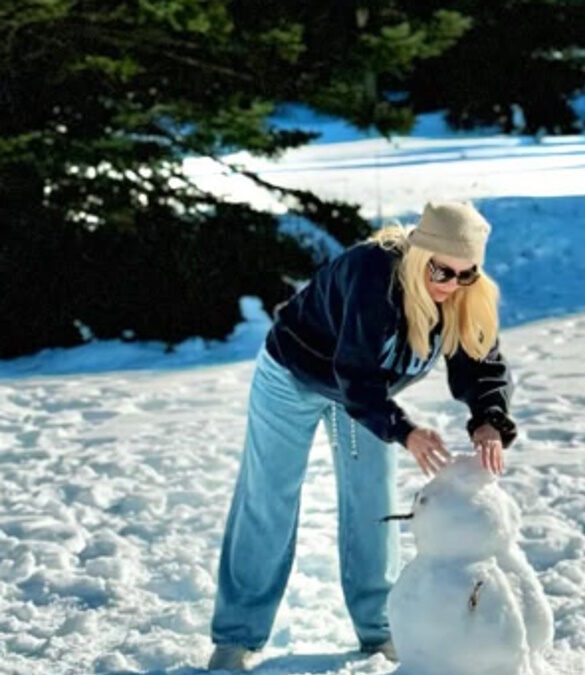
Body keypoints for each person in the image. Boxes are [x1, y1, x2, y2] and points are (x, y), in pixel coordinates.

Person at [207, 201, 518, 671]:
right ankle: (237, 636)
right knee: (269, 498)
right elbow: (355, 373)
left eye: (465, 274)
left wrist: (489, 418)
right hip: (293, 378)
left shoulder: (461, 297)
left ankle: (377, 628)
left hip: (364, 393)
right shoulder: (373, 275)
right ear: (418, 255)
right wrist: (404, 430)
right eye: (441, 270)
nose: (450, 285)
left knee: (371, 500)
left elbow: (480, 364)